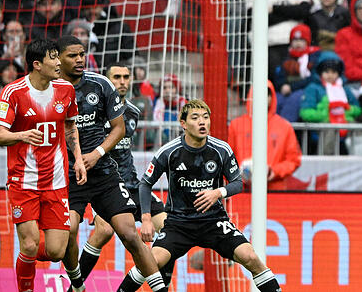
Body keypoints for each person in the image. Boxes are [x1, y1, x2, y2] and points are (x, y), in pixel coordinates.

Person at [118, 99, 282, 292]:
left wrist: (218, 192)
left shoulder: (221, 149)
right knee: (150, 262)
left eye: (205, 117)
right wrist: (146, 218)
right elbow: (145, 183)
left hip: (214, 221)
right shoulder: (169, 152)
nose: (202, 122)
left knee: (251, 257)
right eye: (195, 118)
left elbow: (237, 182)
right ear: (183, 123)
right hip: (179, 224)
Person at [56, 36, 167, 292]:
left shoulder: (102, 88)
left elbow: (118, 129)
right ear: (58, 59)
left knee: (132, 234)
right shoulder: (52, 90)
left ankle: (161, 288)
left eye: (82, 54)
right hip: (69, 176)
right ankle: (77, 284)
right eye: (73, 55)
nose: (80, 60)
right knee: (70, 232)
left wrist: (96, 154)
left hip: (106, 174)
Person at [0, 38, 86, 292]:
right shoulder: (13, 92)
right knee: (30, 244)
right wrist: (22, 135)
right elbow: (0, 136)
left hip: (56, 181)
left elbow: (70, 125)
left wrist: (78, 158)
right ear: (37, 65)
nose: (58, 62)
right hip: (23, 181)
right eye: (53, 58)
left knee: (56, 251)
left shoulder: (66, 89)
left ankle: (27, 258)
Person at [229, 81, 302, 190]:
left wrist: (274, 171)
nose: (262, 98)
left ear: (271, 98)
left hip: (274, 190)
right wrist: (239, 172)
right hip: (242, 190)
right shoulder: (236, 125)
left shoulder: (284, 127)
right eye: (257, 94)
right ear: (251, 97)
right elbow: (227, 158)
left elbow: (294, 160)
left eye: (266, 94)